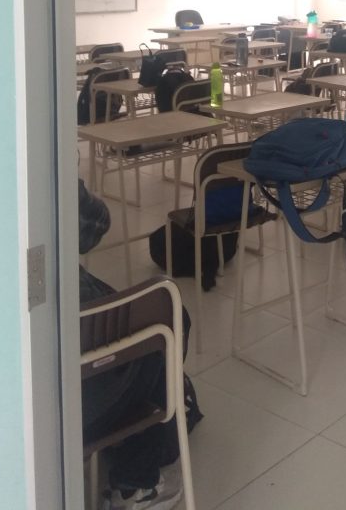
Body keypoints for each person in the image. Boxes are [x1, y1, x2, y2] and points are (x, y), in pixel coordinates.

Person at [79, 180, 201, 510]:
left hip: (38, 419)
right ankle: (136, 482)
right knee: (168, 323)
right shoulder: (49, 185)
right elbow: (96, 223)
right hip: (88, 406)